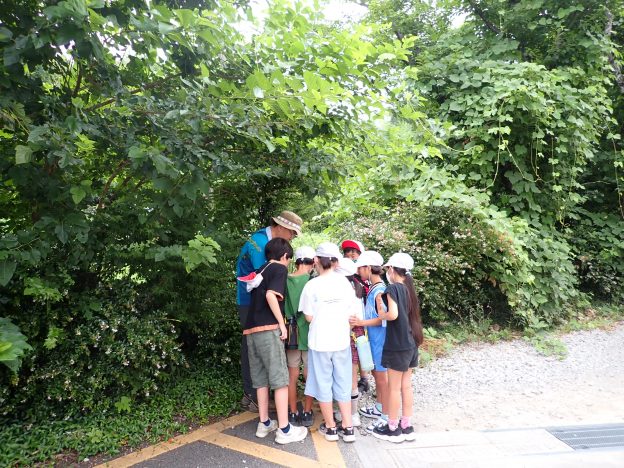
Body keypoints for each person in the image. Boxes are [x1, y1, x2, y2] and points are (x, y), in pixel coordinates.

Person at [243, 237, 308, 444]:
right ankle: (285, 429)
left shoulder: (261, 270)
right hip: (269, 329)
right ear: (285, 256)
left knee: (260, 379)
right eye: (289, 260)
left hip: (251, 330)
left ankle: (264, 423)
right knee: (280, 380)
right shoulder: (279, 268)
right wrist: (282, 324)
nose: (288, 264)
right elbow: (271, 296)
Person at [236, 210, 303, 411]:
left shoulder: (267, 242)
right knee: (254, 348)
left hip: (261, 301)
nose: (292, 237)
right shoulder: (258, 243)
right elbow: (267, 277)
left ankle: (262, 398)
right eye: (292, 233)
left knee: (260, 347)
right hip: (250, 302)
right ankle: (252, 396)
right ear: (281, 227)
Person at [300, 242, 360, 443]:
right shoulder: (344, 283)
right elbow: (353, 314)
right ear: (335, 261)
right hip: (341, 341)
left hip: (319, 342)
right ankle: (348, 428)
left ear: (316, 260)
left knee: (323, 383)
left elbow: (308, 317)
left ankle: (331, 428)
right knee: (343, 382)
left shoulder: (311, 285)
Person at [372, 252, 423, 443]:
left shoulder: (393, 288)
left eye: (388, 269)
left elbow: (392, 315)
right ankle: (406, 426)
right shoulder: (410, 289)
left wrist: (382, 313)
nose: (387, 272)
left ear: (392, 269)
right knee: (406, 386)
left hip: (398, 344)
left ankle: (392, 428)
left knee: (394, 388)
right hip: (411, 343)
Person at [349, 251, 389, 433]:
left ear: (368, 268)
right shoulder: (374, 288)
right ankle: (379, 407)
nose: (358, 271)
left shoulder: (379, 291)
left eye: (360, 268)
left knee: (381, 378)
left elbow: (382, 319)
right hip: (374, 339)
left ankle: (386, 415)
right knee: (376, 374)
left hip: (380, 339)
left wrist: (361, 322)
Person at [285, 246, 315, 427]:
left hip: (291, 334)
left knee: (292, 375)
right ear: (312, 263)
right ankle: (308, 412)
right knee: (309, 374)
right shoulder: (312, 281)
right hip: (310, 333)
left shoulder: (285, 280)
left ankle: (293, 412)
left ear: (296, 262)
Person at [341, 239, 371, 396]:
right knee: (356, 351)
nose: (350, 254)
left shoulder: (363, 277)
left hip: (361, 320)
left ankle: (364, 379)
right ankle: (360, 381)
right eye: (348, 251)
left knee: (360, 348)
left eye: (354, 252)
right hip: (356, 320)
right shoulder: (347, 276)